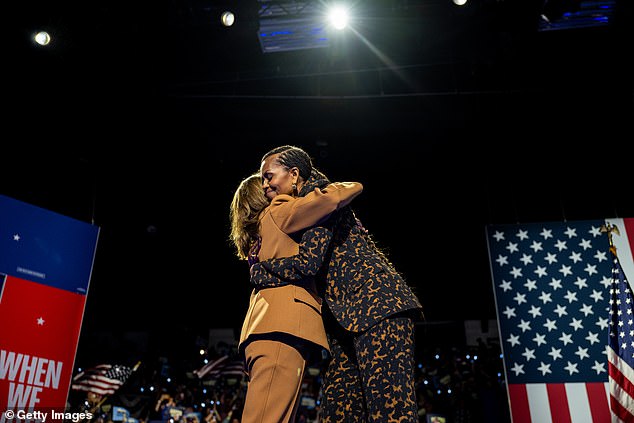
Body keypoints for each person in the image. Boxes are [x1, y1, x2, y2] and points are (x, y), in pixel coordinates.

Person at [250, 145, 424, 422]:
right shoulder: (309, 204)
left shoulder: (317, 201)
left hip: (378, 307)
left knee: (390, 409)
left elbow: (308, 263)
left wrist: (261, 271)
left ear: (294, 174)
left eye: (269, 176)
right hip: (344, 322)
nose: (265, 184)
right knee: (336, 411)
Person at [229, 171, 363, 423]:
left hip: (265, 326)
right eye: (267, 184)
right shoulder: (279, 210)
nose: (273, 184)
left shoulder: (258, 231)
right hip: (282, 327)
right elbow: (333, 197)